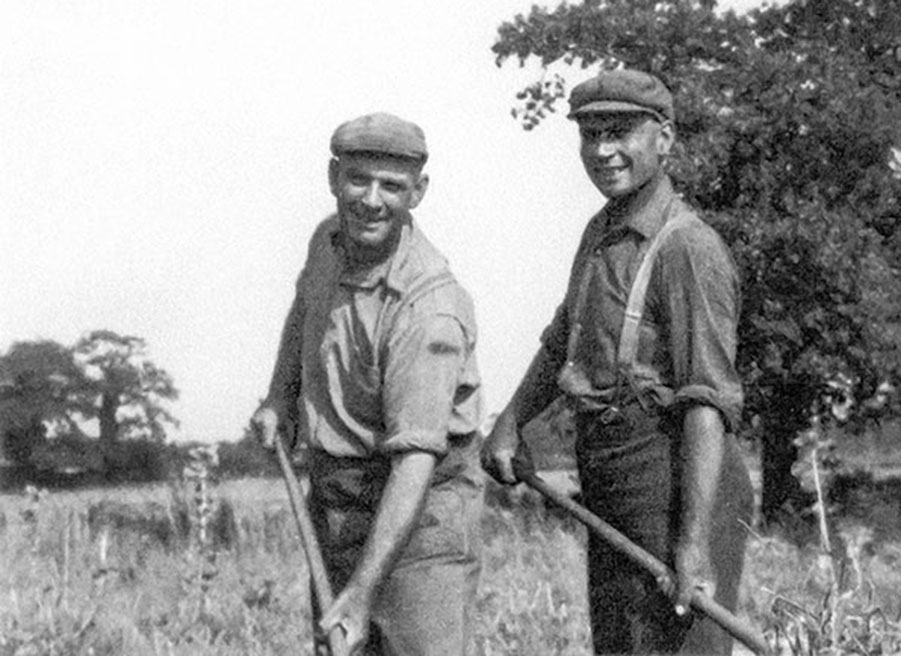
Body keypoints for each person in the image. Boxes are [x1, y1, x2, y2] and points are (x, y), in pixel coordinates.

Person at [481, 69, 754, 655]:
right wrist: (510, 424)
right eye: (590, 134)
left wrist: (693, 543)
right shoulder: (599, 233)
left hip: (679, 486)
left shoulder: (688, 247)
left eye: (620, 133)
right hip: (613, 479)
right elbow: (563, 339)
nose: (602, 151)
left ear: (665, 138)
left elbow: (708, 401)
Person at [252, 112, 484, 656]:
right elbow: (305, 304)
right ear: (334, 177)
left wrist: (360, 593)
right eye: (358, 179)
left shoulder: (429, 308)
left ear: (418, 192)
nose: (371, 200)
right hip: (337, 502)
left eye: (392, 186)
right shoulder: (328, 241)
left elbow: (415, 463)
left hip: (420, 520)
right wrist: (280, 396)